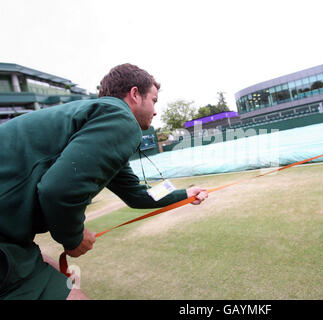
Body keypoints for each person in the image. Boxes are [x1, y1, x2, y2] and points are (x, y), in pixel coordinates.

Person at [0, 63, 208, 300]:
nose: (155, 110)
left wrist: (186, 193)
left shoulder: (100, 120)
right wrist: (74, 238)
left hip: (13, 241)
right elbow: (58, 191)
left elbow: (137, 195)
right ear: (134, 95)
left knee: (56, 273)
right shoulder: (121, 118)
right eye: (154, 100)